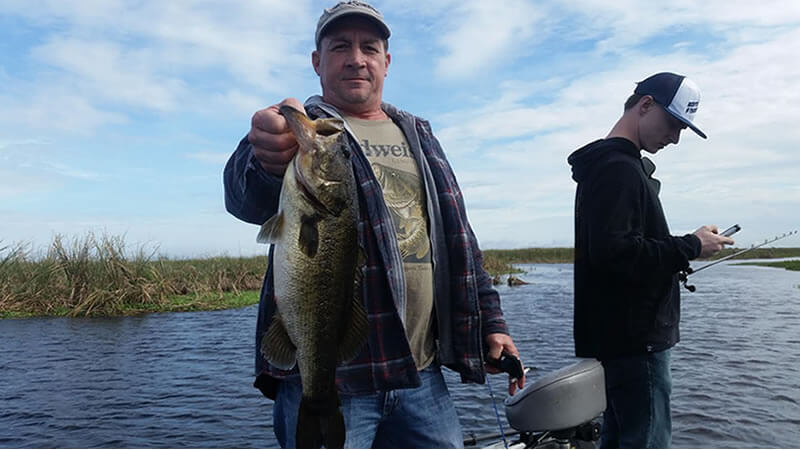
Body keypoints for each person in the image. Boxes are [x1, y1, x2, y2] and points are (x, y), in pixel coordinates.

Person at [223, 1, 525, 447]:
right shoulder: (302, 133)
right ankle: (315, 396)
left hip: (421, 376)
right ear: (317, 62)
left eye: (370, 47)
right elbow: (244, 195)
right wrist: (263, 155)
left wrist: (492, 324)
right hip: (339, 380)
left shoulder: (420, 135)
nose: (356, 58)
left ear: (386, 61)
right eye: (340, 46)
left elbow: (461, 241)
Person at [567, 72, 735, 448]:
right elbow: (616, 253)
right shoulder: (618, 170)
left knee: (622, 436)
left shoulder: (608, 167)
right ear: (645, 105)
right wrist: (691, 245)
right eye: (674, 124)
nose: (675, 138)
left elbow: (621, 250)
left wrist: (688, 245)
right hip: (637, 343)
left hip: (621, 340)